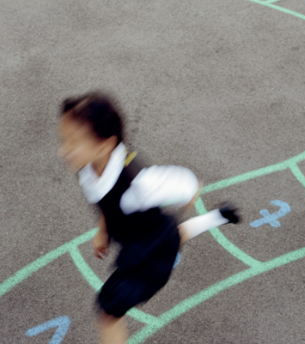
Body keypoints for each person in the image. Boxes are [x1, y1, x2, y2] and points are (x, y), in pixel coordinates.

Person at [57, 92, 239, 344]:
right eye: (63, 140)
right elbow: (104, 202)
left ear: (105, 144)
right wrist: (103, 230)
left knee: (109, 311)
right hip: (146, 234)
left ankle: (217, 216)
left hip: (147, 256)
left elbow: (180, 183)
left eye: (74, 142)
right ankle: (220, 216)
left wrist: (191, 189)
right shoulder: (88, 167)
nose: (64, 150)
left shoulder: (137, 182)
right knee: (174, 236)